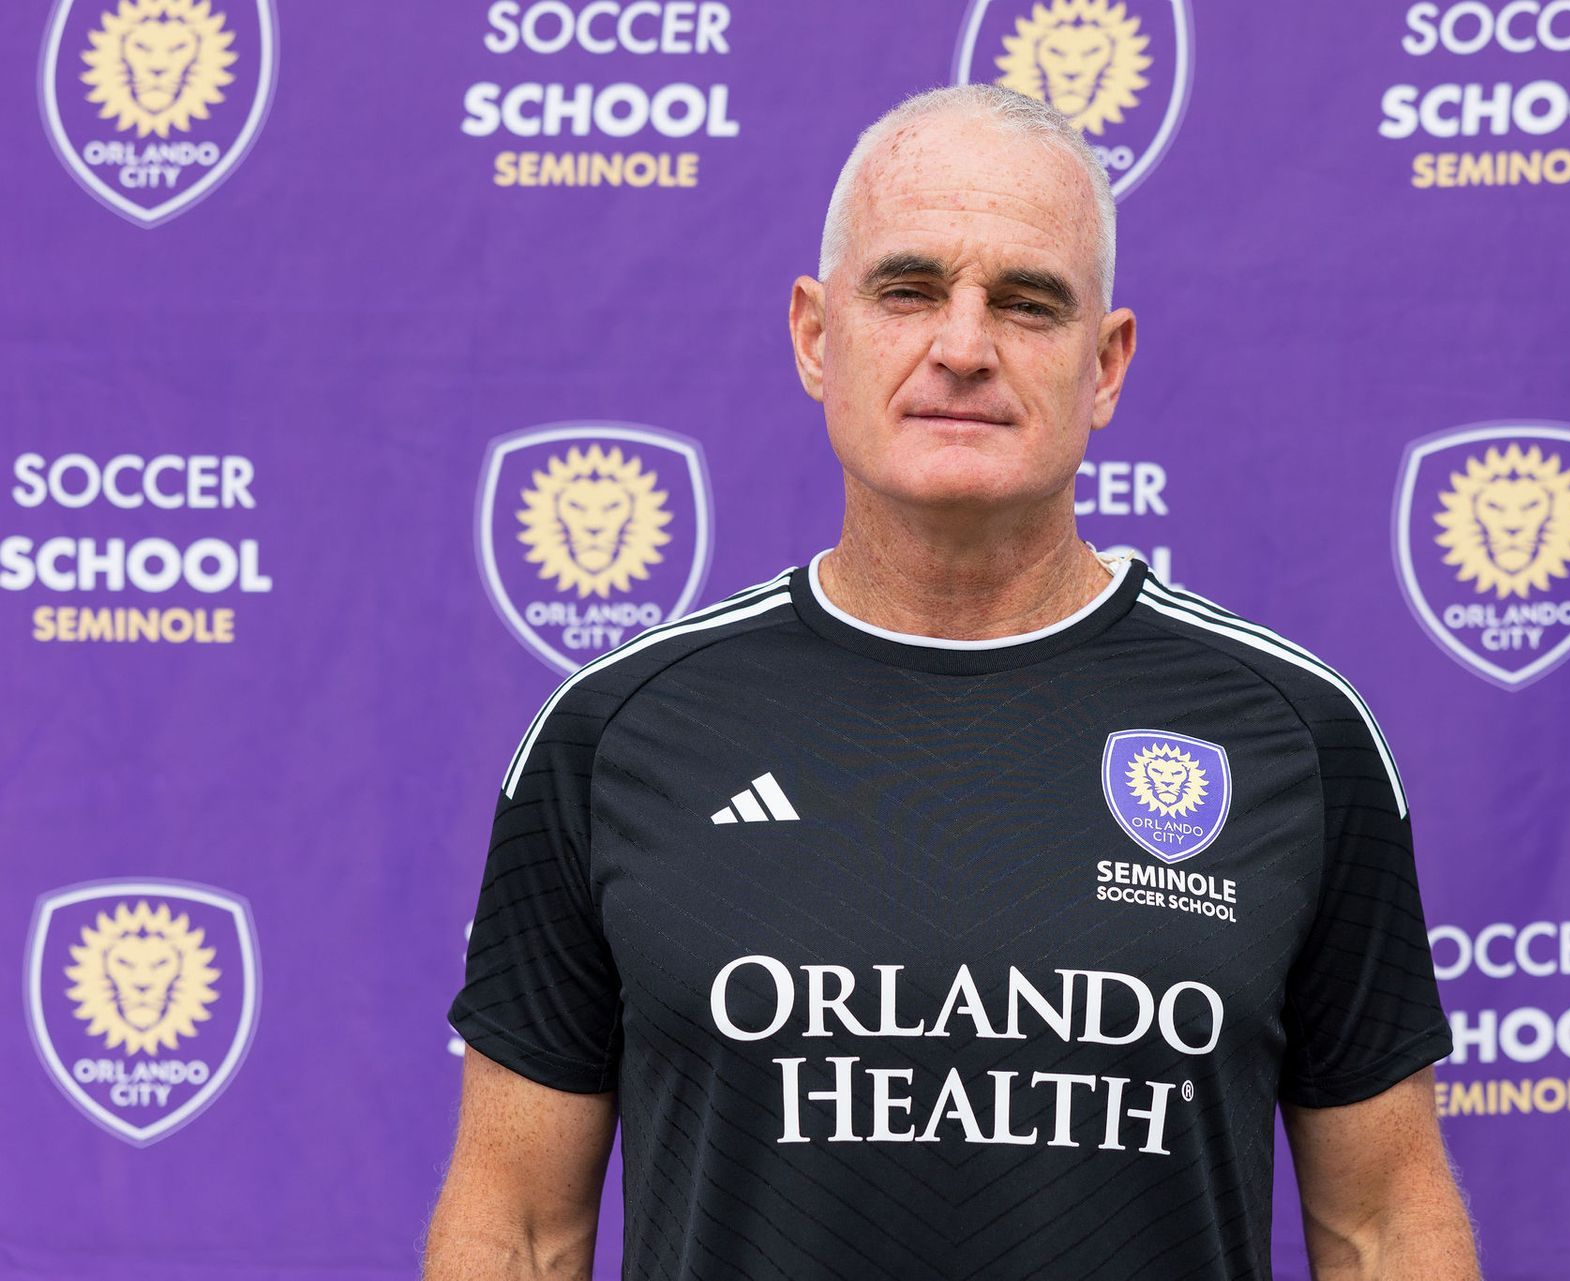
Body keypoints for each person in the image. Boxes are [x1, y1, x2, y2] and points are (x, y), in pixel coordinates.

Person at [425, 83, 1479, 1280]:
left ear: (1108, 363)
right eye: (910, 289)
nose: (964, 345)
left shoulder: (1291, 738)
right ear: (818, 335)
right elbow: (515, 1230)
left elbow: (1384, 1225)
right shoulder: (614, 737)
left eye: (1028, 304)